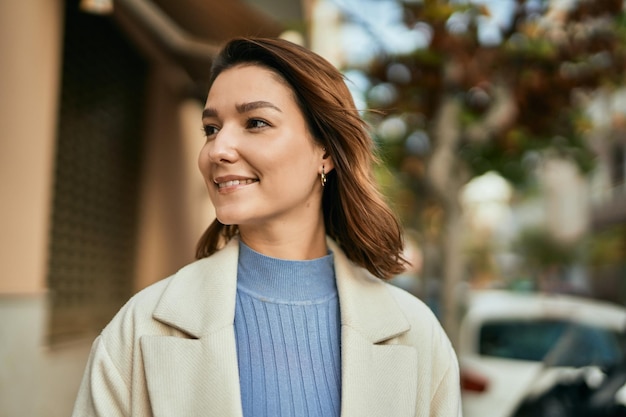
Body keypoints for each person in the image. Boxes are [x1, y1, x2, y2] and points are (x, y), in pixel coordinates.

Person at [71, 37, 461, 417]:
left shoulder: (417, 335)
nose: (218, 150)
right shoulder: (137, 329)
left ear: (324, 150)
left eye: (255, 122)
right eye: (210, 128)